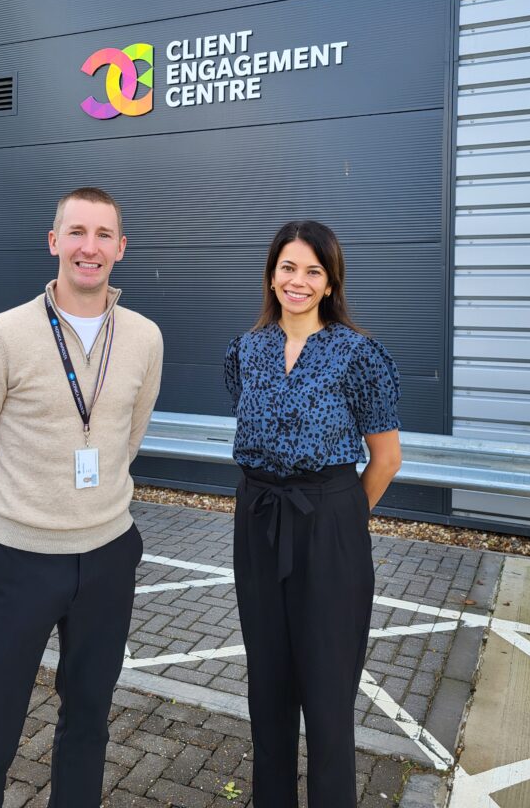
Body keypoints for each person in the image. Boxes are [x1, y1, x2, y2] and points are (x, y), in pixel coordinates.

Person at [0, 186, 163, 808]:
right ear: (54, 242)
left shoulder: (144, 338)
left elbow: (127, 438)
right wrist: (12, 520)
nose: (88, 248)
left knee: (88, 722)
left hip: (110, 557)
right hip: (17, 563)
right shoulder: (2, 335)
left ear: (120, 248)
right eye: (76, 232)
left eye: (102, 235)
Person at [224, 220, 401, 808]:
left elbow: (386, 459)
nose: (298, 281)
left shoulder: (360, 355)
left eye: (313, 271)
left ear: (330, 283)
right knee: (268, 689)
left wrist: (340, 520)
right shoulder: (245, 350)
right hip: (257, 518)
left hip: (329, 522)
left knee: (327, 697)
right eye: (287, 268)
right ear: (272, 275)